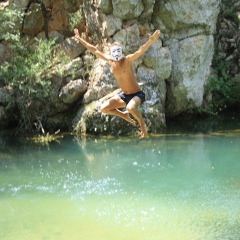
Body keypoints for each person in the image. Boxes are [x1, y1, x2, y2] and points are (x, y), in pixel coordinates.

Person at [74, 28, 160, 138]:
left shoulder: (127, 60)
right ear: (111, 53)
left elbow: (140, 51)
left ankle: (142, 124)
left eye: (117, 51)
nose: (116, 55)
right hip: (124, 96)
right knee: (104, 108)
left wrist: (151, 41)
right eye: (113, 52)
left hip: (137, 95)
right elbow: (94, 50)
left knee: (130, 108)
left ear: (121, 51)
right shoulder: (110, 61)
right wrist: (80, 39)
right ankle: (123, 115)